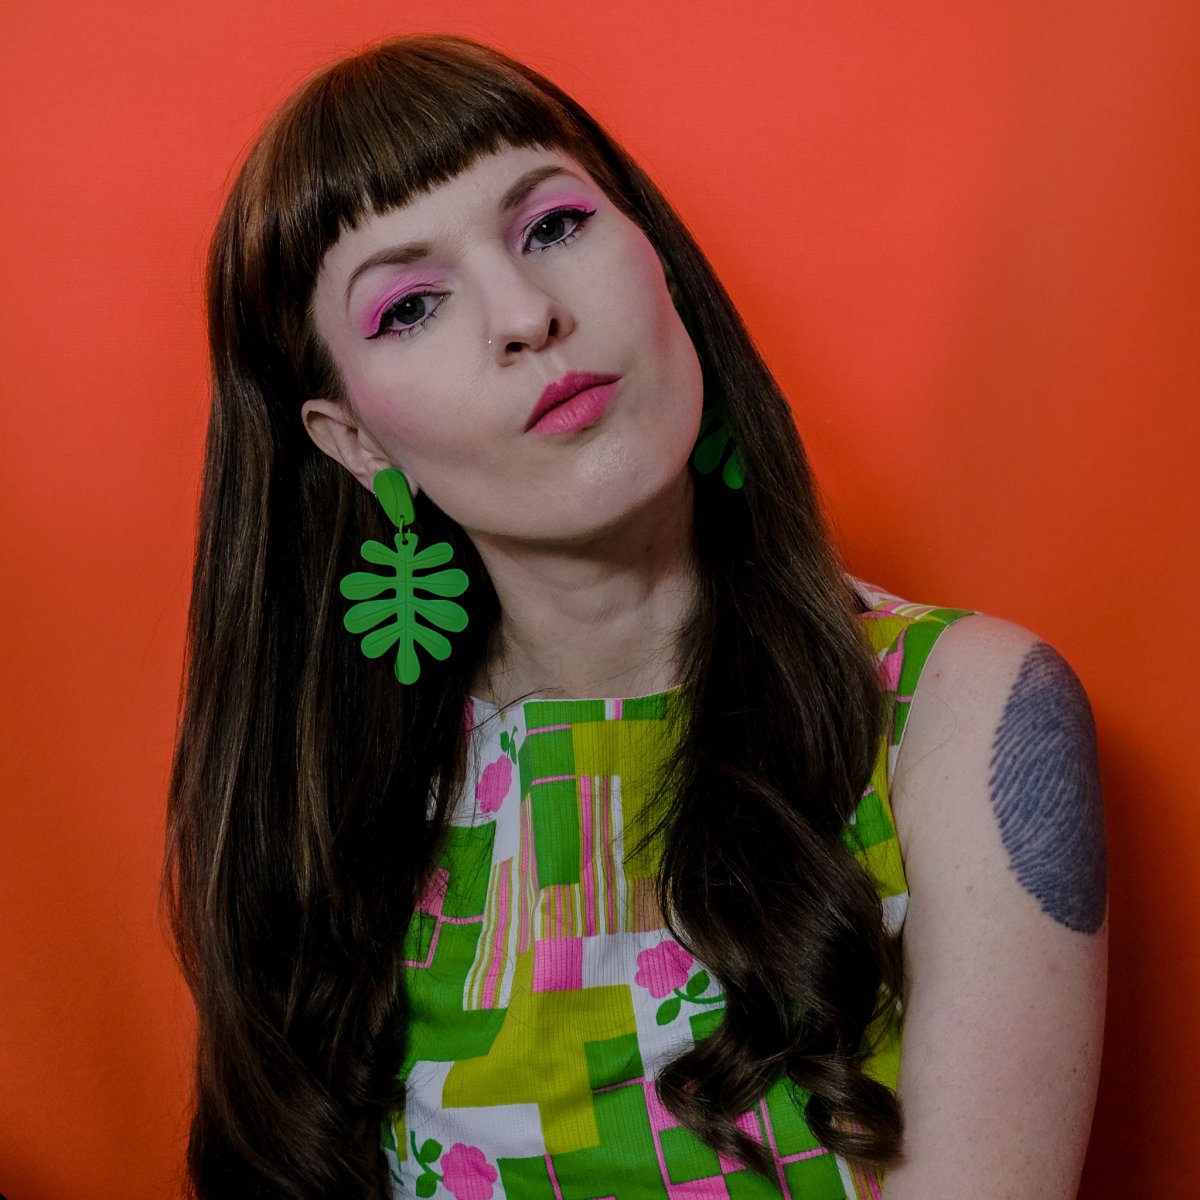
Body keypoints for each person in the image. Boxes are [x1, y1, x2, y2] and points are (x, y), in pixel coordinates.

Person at [165, 34, 1107, 1200]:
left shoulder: (964, 716)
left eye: (553, 226)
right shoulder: (332, 800)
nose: (526, 315)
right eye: (410, 306)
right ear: (353, 440)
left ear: (657, 259)